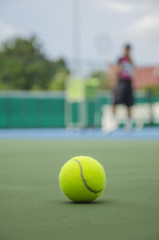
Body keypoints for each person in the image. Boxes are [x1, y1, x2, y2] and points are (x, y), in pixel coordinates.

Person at [108, 44, 135, 131]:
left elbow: (132, 70)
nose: (126, 51)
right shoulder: (120, 59)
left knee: (129, 104)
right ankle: (114, 122)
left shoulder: (130, 60)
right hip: (121, 83)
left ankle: (129, 124)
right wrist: (112, 73)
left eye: (127, 50)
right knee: (115, 102)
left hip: (128, 83)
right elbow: (117, 70)